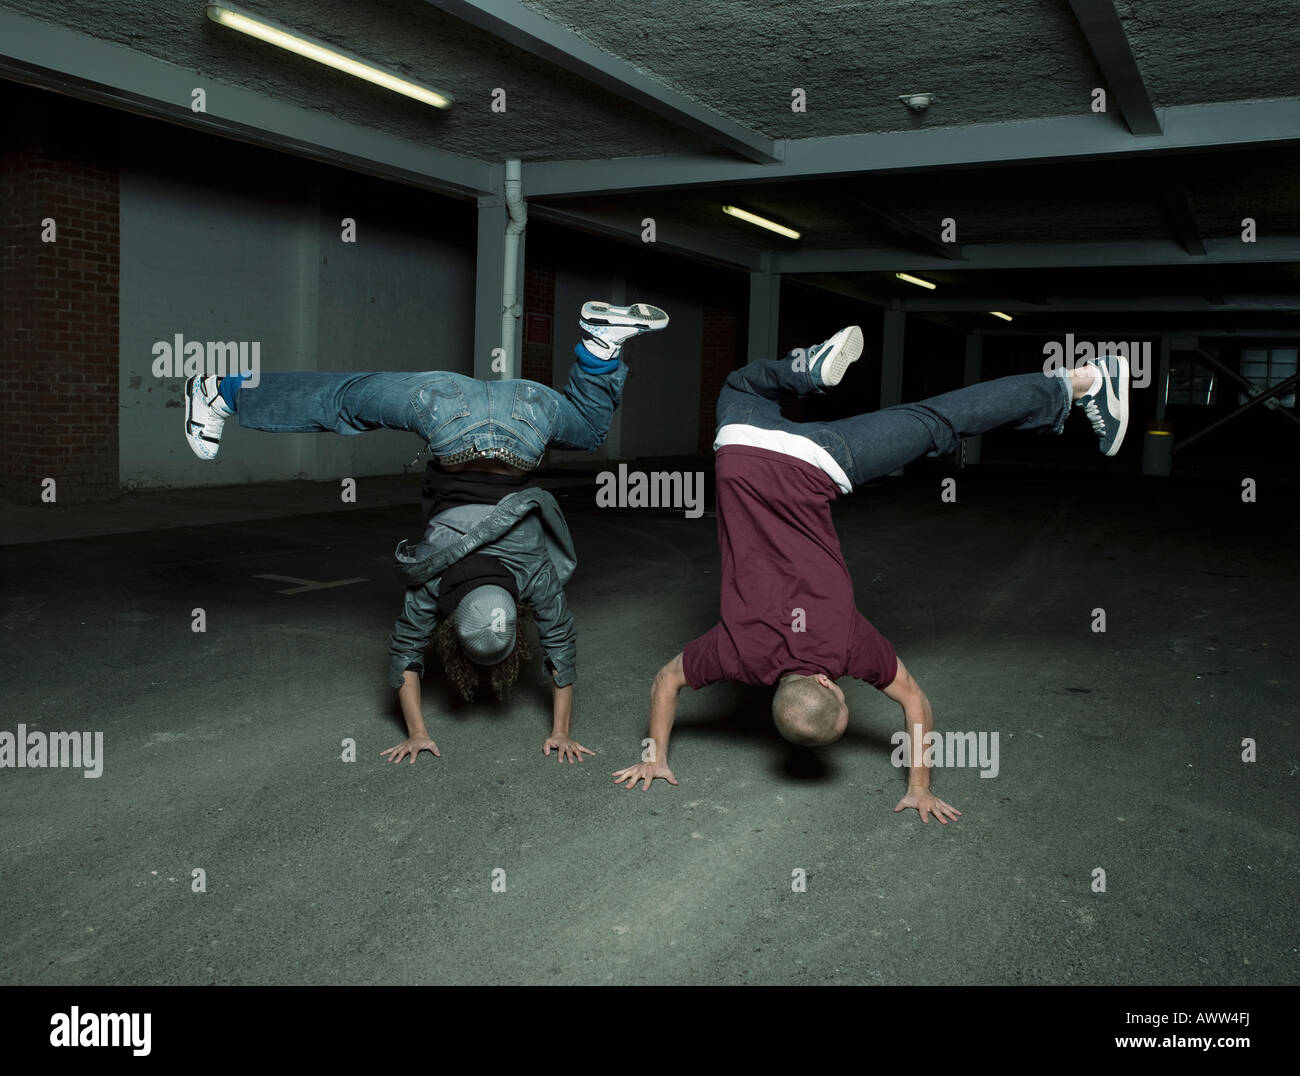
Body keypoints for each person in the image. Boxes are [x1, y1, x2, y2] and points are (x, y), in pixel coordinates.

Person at [613, 326, 1129, 822]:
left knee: (939, 421)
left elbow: (915, 702)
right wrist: (655, 756)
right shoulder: (734, 654)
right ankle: (807, 370)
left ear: (828, 684)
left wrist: (920, 787)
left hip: (817, 465)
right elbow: (666, 681)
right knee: (741, 383)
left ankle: (1078, 381)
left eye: (841, 693)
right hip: (741, 451)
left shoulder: (849, 648)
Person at [182, 300, 670, 766]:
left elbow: (561, 648)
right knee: (346, 400)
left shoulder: (534, 578)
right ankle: (220, 390)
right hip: (443, 408)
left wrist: (561, 729)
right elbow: (405, 659)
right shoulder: (434, 586)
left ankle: (600, 348)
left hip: (527, 408)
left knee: (586, 428)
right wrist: (418, 731)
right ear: (452, 624)